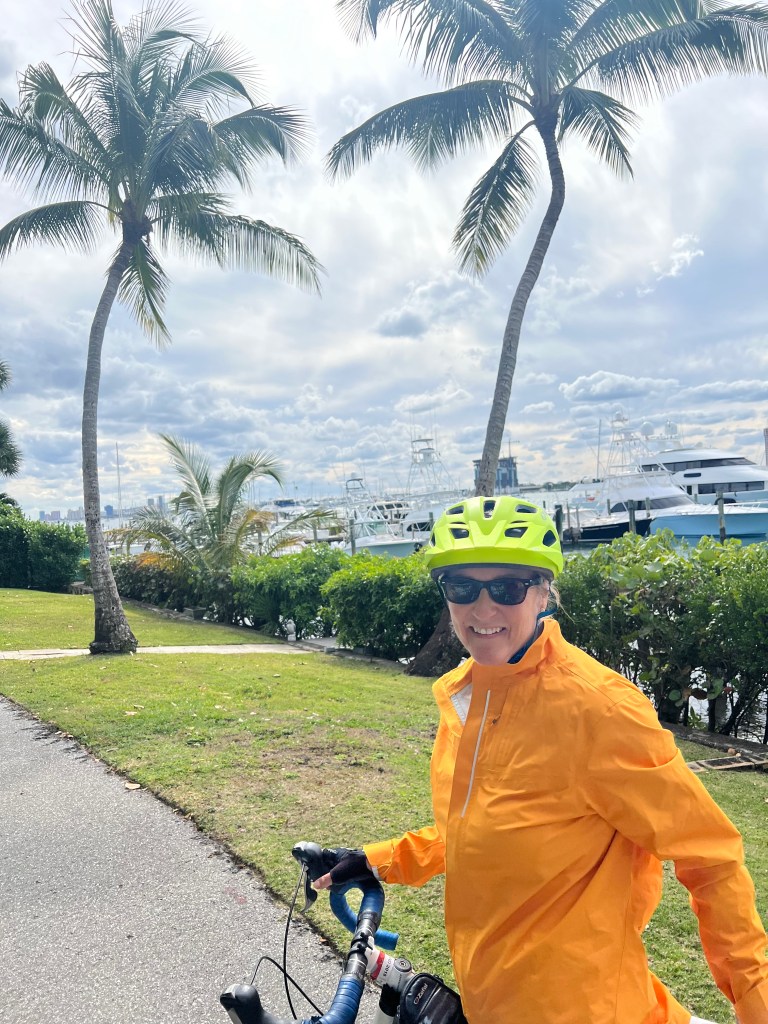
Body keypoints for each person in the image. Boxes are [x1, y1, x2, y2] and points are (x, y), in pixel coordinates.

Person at [315, 496, 768, 1024]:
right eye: (462, 587)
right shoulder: (466, 696)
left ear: (543, 592)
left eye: (507, 587)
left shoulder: (599, 709)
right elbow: (478, 831)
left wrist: (756, 1002)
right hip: (493, 1001)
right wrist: (377, 860)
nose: (483, 609)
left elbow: (710, 855)